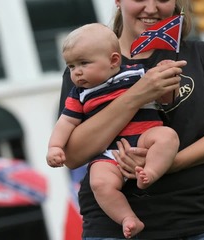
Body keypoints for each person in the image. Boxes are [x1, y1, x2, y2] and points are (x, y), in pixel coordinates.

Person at [47, 0, 204, 239]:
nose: (152, 8)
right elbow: (72, 155)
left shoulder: (200, 54)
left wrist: (167, 163)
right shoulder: (85, 68)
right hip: (115, 230)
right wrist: (137, 95)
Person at [46, 23, 180, 238]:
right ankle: (127, 217)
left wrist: (169, 78)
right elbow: (65, 123)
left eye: (83, 63)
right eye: (71, 66)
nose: (76, 72)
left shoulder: (137, 73)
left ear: (113, 60)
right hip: (109, 152)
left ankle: (151, 172)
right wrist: (55, 146)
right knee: (99, 182)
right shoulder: (79, 94)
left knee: (167, 136)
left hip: (146, 136)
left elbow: (163, 100)